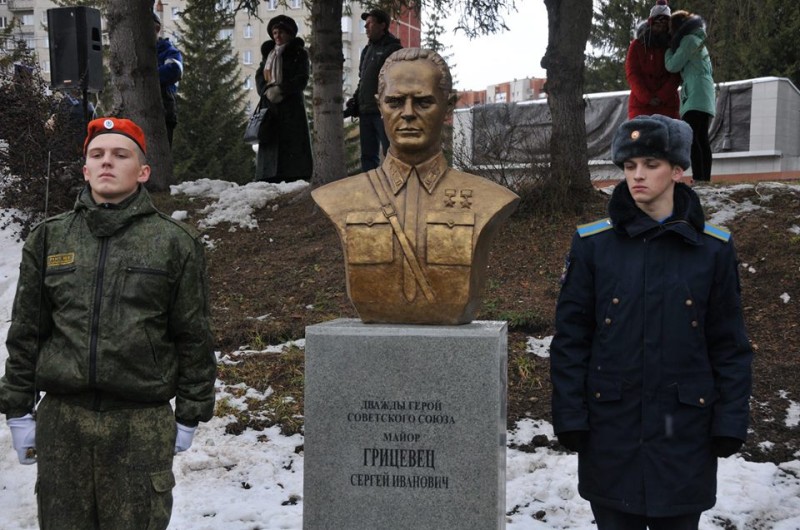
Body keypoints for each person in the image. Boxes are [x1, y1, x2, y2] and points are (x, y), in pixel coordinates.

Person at [0, 117, 217, 529]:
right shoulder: (50, 239)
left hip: (139, 424)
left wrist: (191, 412)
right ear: (84, 170)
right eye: (96, 155)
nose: (106, 163)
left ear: (143, 171)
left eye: (121, 155)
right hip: (63, 422)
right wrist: (17, 411)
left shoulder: (174, 243)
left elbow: (193, 336)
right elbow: (27, 330)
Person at [550, 114, 752, 530]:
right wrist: (570, 415)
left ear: (678, 170)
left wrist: (730, 420)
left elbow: (729, 344)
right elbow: (572, 339)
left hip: (683, 438)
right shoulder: (594, 245)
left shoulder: (713, 250)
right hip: (612, 436)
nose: (637, 176)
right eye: (628, 166)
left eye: (651, 164)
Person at [313, 48, 519, 325]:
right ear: (379, 105)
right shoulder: (338, 198)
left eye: (423, 102)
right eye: (395, 102)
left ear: (448, 106)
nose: (408, 113)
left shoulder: (490, 199)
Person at [255, 14, 313, 183]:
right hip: (270, 106)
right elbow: (260, 77)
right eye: (274, 33)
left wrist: (282, 89)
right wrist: (266, 91)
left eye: (281, 32)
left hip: (290, 106)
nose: (277, 36)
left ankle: (294, 174)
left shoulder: (298, 53)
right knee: (270, 140)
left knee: (292, 143)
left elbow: (301, 78)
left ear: (289, 34)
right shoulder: (269, 55)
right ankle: (268, 174)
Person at [347, 8, 402, 172]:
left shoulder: (393, 50)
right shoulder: (367, 50)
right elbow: (363, 80)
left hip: (384, 112)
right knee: (368, 156)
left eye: (370, 23)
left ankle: (395, 187)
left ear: (382, 25)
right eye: (365, 24)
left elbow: (397, 83)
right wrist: (356, 100)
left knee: (391, 151)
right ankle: (371, 189)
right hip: (366, 110)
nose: (366, 27)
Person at [665, 10, 716, 182]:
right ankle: (705, 179)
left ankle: (699, 178)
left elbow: (672, 65)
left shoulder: (688, 41)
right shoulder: (700, 42)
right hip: (706, 93)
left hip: (695, 93)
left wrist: (668, 51)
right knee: (702, 138)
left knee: (693, 138)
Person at [625, 0, 681, 119]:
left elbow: (676, 74)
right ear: (651, 24)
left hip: (667, 105)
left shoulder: (672, 45)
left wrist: (661, 96)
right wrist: (646, 97)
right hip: (641, 105)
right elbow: (632, 74)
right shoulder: (637, 45)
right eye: (657, 25)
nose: (660, 29)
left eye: (664, 26)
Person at [154, 12, 183, 147]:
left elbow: (175, 70)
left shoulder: (169, 51)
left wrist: (147, 77)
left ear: (157, 29)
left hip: (164, 110)